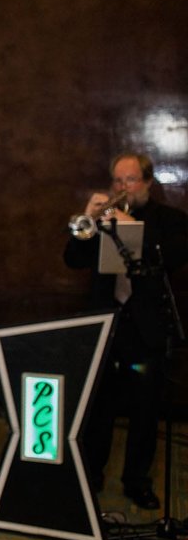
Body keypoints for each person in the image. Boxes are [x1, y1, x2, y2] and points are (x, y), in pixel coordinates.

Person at [63, 152, 188, 510]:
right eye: (117, 180)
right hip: (107, 325)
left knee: (145, 411)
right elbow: (72, 259)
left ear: (148, 182)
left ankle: (137, 481)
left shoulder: (170, 220)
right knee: (99, 406)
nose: (122, 187)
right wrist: (89, 217)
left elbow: (172, 257)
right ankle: (91, 474)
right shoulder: (99, 220)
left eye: (130, 180)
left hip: (147, 330)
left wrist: (130, 227)